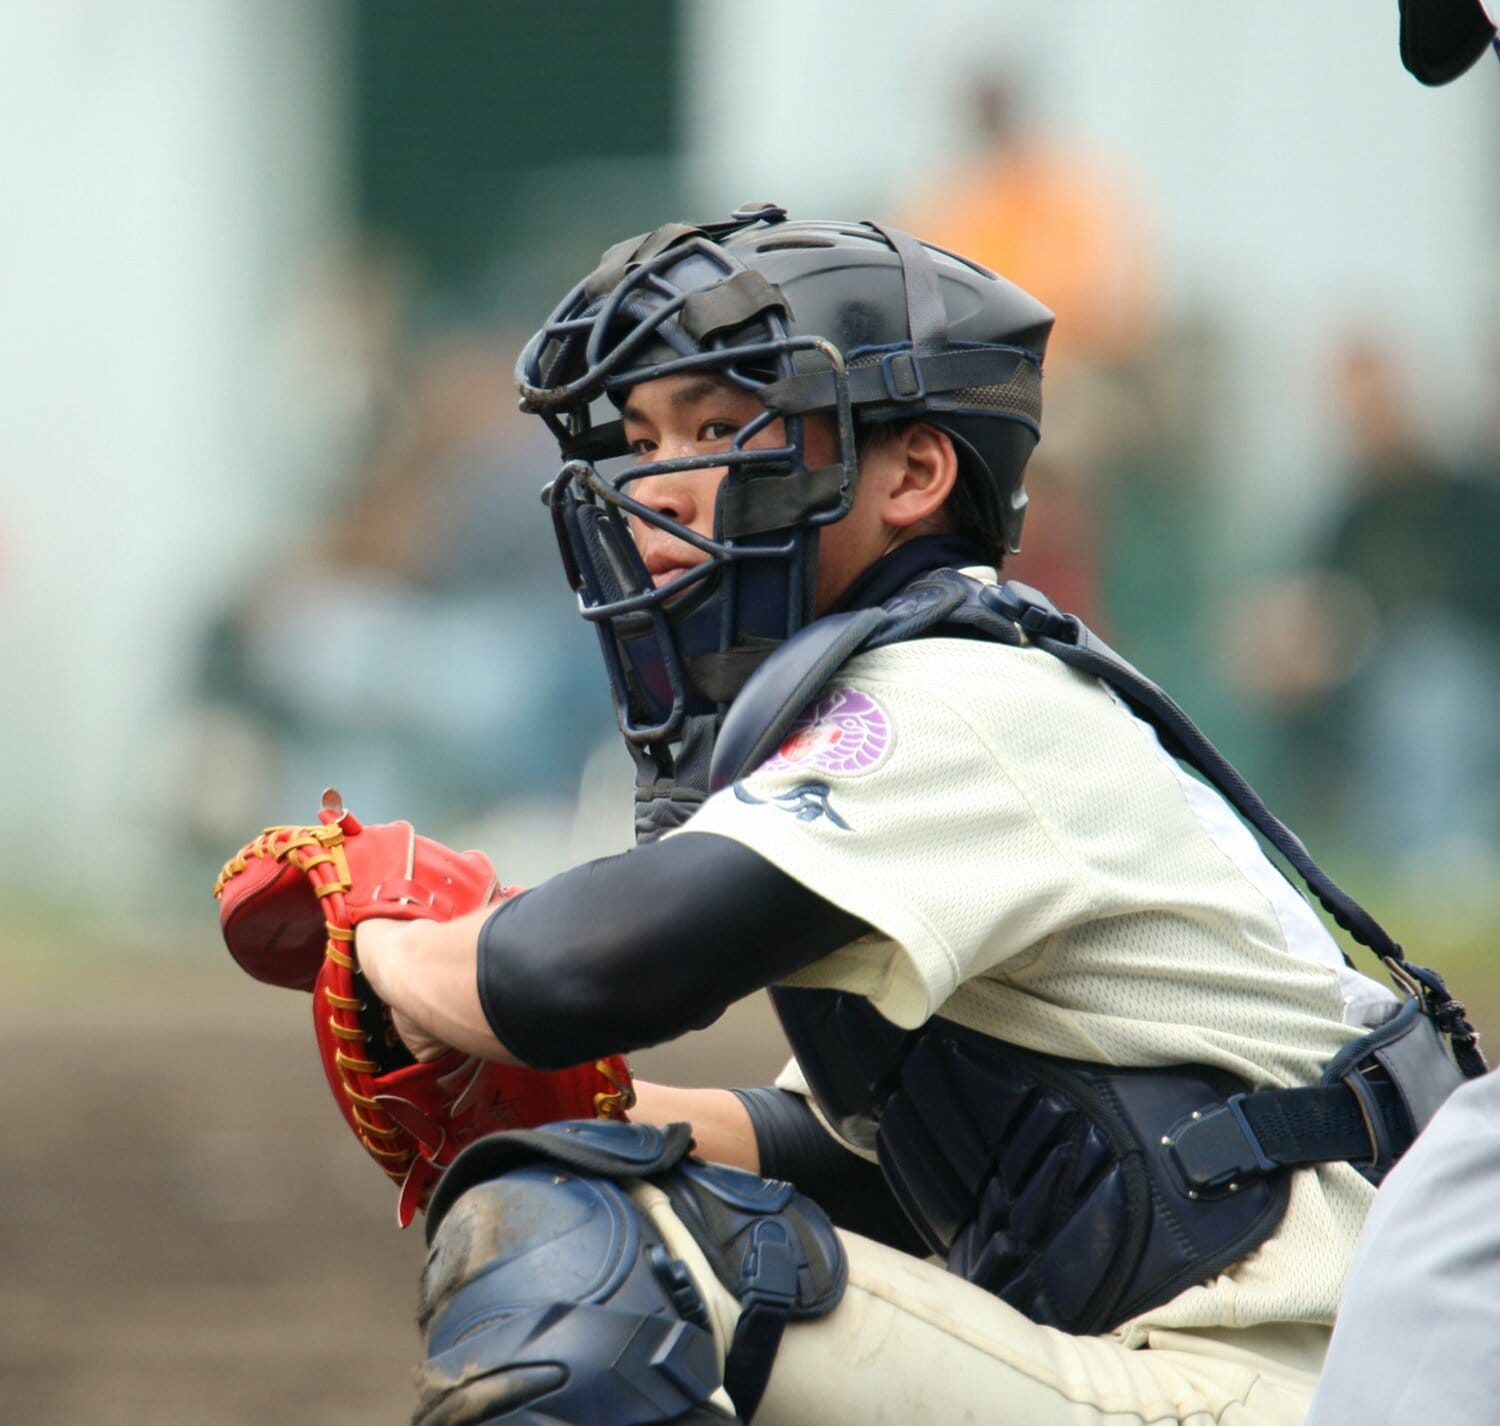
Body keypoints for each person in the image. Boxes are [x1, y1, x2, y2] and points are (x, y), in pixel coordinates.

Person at [351, 205, 1454, 1426]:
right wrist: (589, 1106)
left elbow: (587, 970)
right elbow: (862, 1162)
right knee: (589, 1183)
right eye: (643, 440)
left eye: (718, 429)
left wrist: (385, 946)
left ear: (915, 475)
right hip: (1242, 1377)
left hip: (1266, 1388)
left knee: (581, 1252)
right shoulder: (964, 680)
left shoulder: (948, 697)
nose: (656, 484)